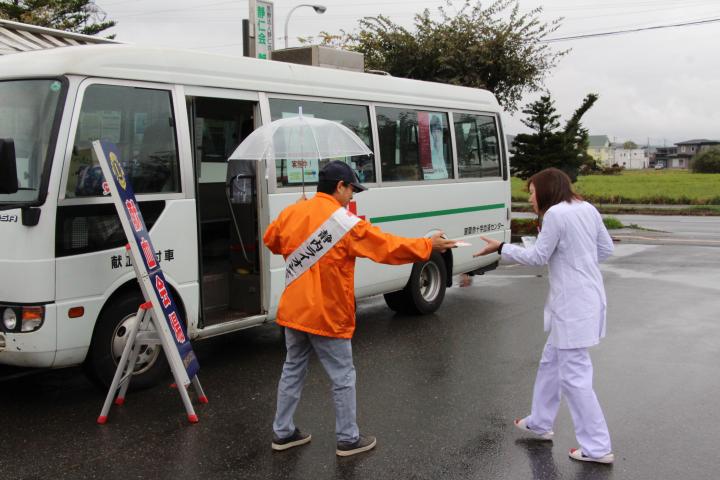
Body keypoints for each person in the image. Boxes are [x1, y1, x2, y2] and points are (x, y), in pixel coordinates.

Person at [264, 160, 456, 457]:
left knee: (293, 370)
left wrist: (294, 211)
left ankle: (283, 432)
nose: (353, 196)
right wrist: (427, 245)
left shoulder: (294, 211)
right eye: (351, 189)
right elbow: (387, 247)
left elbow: (272, 240)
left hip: (294, 310)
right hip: (328, 313)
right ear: (339, 186)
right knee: (342, 376)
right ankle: (348, 439)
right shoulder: (344, 223)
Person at [474, 167, 615, 464]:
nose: (530, 200)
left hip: (573, 307)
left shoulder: (555, 215)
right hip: (587, 299)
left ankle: (598, 446)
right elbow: (606, 248)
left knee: (575, 378)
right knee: (551, 361)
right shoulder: (586, 208)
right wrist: (575, 258)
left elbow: (538, 257)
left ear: (546, 190)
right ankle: (540, 420)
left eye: (532, 193)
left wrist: (501, 247)